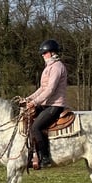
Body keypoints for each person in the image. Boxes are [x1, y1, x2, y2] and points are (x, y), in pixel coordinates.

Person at [25, 39, 68, 168]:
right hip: (47, 104)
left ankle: (45, 157)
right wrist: (28, 99)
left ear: (52, 53)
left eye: (45, 53)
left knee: (36, 127)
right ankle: (31, 154)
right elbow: (42, 88)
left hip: (55, 105)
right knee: (26, 120)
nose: (43, 55)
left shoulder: (57, 67)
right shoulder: (49, 67)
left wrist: (34, 102)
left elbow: (50, 89)